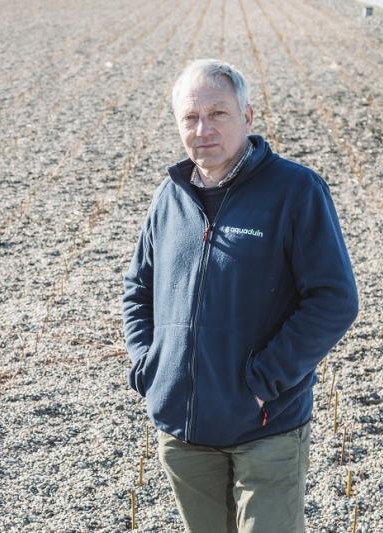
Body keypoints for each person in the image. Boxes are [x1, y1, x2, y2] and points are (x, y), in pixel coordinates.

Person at [121, 59, 358, 532]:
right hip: (184, 430)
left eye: (218, 114)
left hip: (265, 427)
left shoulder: (294, 191)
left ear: (247, 117)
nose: (203, 129)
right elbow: (137, 288)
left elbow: (334, 299)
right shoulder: (170, 197)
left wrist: (264, 381)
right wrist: (151, 367)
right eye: (190, 118)